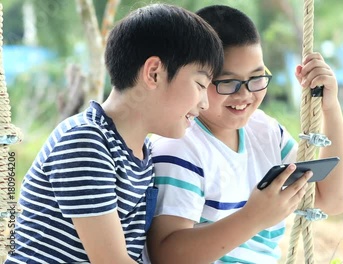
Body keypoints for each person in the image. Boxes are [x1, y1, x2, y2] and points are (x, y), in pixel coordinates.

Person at [5, 3, 223, 264]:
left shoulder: (143, 153)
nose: (204, 103)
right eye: (200, 84)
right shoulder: (85, 142)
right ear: (154, 73)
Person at [146, 5, 343, 264]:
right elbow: (167, 256)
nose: (244, 95)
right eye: (228, 82)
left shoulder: (265, 131)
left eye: (256, 78)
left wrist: (330, 107)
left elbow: (332, 199)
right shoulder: (179, 146)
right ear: (197, 79)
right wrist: (253, 218)